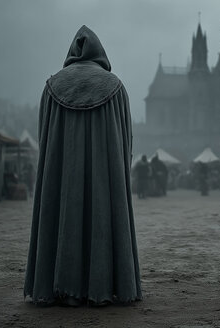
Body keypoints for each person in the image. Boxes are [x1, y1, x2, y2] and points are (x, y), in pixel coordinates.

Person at [24, 26, 142, 306]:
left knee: (62, 216)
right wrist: (117, 168)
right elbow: (126, 141)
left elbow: (45, 140)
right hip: (106, 176)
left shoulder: (52, 87)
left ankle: (60, 289)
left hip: (61, 175)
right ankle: (103, 290)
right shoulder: (115, 87)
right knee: (102, 218)